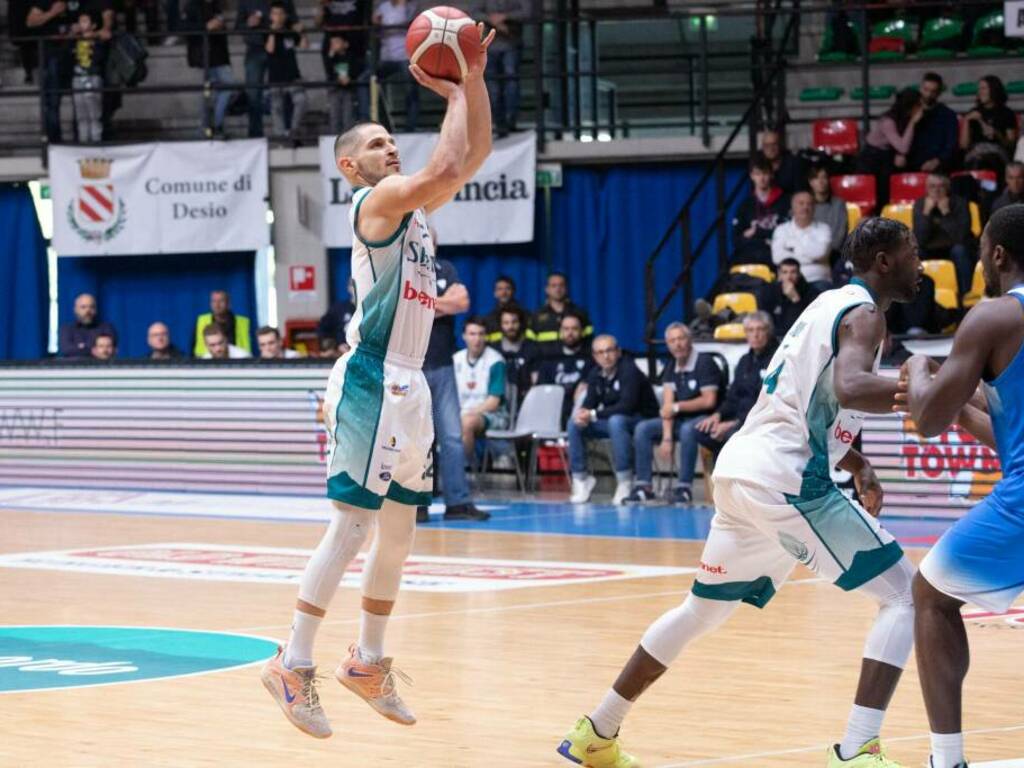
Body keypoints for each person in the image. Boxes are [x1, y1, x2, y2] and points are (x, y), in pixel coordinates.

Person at [558, 217, 923, 768]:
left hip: (741, 472)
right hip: (785, 478)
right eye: (913, 251)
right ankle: (857, 749)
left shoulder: (825, 307)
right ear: (884, 261)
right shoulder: (866, 314)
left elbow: (805, 403)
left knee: (699, 612)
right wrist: (925, 387)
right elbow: (851, 387)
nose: (920, 263)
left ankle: (596, 731)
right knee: (906, 596)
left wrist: (859, 461)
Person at [260, 27, 494, 739]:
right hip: (369, 378)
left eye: (395, 141)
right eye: (378, 144)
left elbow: (470, 158)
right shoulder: (377, 206)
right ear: (348, 163)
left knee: (400, 530)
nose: (391, 148)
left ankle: (366, 660)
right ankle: (291, 663)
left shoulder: (416, 212)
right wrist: (455, 90)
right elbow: (449, 160)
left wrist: (472, 80)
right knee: (354, 523)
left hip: (412, 383)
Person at [901, 204, 1024, 768]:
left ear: (997, 254)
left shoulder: (995, 317)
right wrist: (962, 403)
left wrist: (921, 369)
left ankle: (945, 760)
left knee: (929, 596)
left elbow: (926, 419)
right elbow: (1006, 436)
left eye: (980, 252)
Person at [421, 254, 490, 523]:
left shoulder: (445, 267)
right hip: (411, 364)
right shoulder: (402, 266)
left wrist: (424, 305)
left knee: (452, 435)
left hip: (442, 363)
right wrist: (441, 304)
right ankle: (417, 504)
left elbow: (462, 302)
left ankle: (458, 502)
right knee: (418, 440)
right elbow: (401, 310)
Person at [624, 323, 719, 505]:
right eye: (672, 340)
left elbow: (709, 400)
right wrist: (666, 438)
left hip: (706, 417)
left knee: (687, 430)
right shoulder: (671, 366)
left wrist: (677, 407)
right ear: (667, 344)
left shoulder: (704, 362)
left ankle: (684, 487)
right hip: (679, 419)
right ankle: (644, 486)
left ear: (689, 340)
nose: (677, 344)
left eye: (681, 339)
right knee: (643, 428)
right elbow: (667, 407)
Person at [567, 335, 659, 506]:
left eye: (609, 350)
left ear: (618, 352)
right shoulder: (595, 374)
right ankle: (581, 479)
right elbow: (589, 404)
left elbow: (627, 406)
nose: (606, 356)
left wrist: (593, 414)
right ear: (594, 356)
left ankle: (625, 480)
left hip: (641, 419)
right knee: (574, 424)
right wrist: (582, 414)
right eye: (600, 352)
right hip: (614, 421)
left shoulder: (629, 370)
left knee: (616, 421)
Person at [694, 311, 778, 458]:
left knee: (729, 437)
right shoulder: (744, 361)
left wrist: (735, 424)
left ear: (768, 332)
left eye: (760, 329)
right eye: (751, 330)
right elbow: (732, 397)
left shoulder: (777, 360)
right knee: (701, 432)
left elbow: (767, 403)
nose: (755, 335)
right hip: (738, 420)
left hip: (760, 422)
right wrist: (718, 415)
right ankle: (721, 477)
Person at [235, 0, 298, 138]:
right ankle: (255, 134)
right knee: (254, 93)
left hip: (280, 51)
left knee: (285, 91)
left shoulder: (286, 2)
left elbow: (294, 22)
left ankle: (288, 133)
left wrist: (292, 27)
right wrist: (248, 23)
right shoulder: (246, 2)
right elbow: (237, 26)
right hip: (255, 49)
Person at [357, 0, 418, 131]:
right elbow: (377, 33)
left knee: (410, 88)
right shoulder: (383, 7)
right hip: (386, 58)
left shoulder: (410, 7)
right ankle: (366, 120)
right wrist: (376, 24)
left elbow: (411, 25)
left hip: (405, 57)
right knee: (363, 79)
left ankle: (411, 126)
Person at [454, 316, 508, 460]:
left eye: (481, 334)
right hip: (462, 413)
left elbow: (493, 402)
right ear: (464, 336)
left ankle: (466, 468)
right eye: (472, 334)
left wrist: (466, 413)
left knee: (467, 422)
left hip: (493, 415)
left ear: (486, 336)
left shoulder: (495, 361)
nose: (477, 339)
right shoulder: (456, 360)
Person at [857, 88, 922, 207]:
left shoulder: (903, 119)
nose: (921, 109)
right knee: (880, 192)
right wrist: (913, 122)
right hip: (871, 158)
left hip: (886, 154)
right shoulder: (888, 121)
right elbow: (903, 147)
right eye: (919, 105)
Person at [912, 173, 974, 293]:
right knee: (915, 252)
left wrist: (946, 213)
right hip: (929, 248)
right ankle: (918, 295)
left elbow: (960, 237)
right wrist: (925, 213)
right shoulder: (920, 204)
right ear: (926, 189)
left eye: (941, 186)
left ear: (948, 188)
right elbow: (919, 239)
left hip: (953, 247)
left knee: (960, 251)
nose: (937, 190)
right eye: (932, 186)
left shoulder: (960, 203)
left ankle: (966, 296)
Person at [474, 0, 529, 137]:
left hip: (511, 43)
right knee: (493, 88)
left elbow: (527, 12)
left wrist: (505, 16)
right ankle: (500, 124)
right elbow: (474, 12)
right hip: (490, 46)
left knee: (511, 84)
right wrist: (494, 22)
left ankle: (511, 121)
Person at [532, 312, 593, 427]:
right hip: (552, 410)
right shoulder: (549, 358)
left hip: (581, 412)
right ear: (560, 331)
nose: (570, 333)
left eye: (574, 329)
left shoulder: (591, 358)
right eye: (566, 329)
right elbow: (541, 390)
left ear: (582, 331)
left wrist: (587, 383)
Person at [184, 0, 234, 139]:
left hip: (219, 56)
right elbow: (183, 28)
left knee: (224, 89)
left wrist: (220, 26)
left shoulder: (216, 6)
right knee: (208, 94)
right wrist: (206, 26)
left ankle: (213, 126)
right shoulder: (191, 6)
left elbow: (221, 29)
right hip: (204, 58)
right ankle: (209, 128)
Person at [27, 0, 72, 143]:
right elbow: (31, 21)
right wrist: (53, 12)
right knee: (52, 100)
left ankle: (83, 138)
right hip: (51, 55)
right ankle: (54, 140)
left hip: (75, 54)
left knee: (84, 96)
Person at [318, 0, 366, 134]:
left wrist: (349, 78)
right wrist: (331, 54)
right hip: (334, 88)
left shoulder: (351, 56)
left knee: (348, 115)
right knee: (334, 115)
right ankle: (333, 139)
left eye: (337, 42)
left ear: (345, 44)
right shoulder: (329, 57)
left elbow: (355, 69)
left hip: (348, 88)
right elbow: (328, 68)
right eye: (332, 42)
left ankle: (347, 138)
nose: (334, 44)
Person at [730, 155, 788, 267]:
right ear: (752, 176)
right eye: (757, 174)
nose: (762, 178)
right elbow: (736, 240)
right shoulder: (745, 206)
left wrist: (756, 232)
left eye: (765, 173)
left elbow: (788, 234)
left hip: (777, 260)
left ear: (771, 175)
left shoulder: (785, 201)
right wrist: (766, 237)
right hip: (751, 260)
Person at [771, 190, 833, 290]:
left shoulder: (824, 229)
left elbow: (820, 253)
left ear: (814, 207)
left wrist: (793, 248)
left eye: (809, 204)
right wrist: (811, 258)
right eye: (801, 203)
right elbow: (778, 258)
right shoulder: (781, 229)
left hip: (817, 280)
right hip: (788, 280)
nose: (805, 207)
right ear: (793, 207)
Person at [265, 1, 308, 144]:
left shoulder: (290, 30)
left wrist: (302, 32)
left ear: (284, 16)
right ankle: (281, 137)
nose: (278, 16)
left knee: (301, 100)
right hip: (275, 76)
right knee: (276, 107)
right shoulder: (265, 30)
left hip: (292, 75)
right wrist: (272, 31)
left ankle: (294, 129)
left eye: (280, 13)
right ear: (271, 15)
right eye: (275, 13)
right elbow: (269, 49)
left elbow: (304, 45)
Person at [959, 75, 1019, 175]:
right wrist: (966, 120)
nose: (980, 92)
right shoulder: (972, 113)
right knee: (976, 161)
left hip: (997, 154)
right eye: (979, 89)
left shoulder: (1007, 113)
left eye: (983, 88)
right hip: (976, 153)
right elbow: (963, 145)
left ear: (993, 90)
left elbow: (1011, 144)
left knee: (987, 161)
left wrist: (997, 134)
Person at [528, 271, 593, 355]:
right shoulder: (536, 315)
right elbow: (530, 344)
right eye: (553, 285)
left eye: (561, 285)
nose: (558, 289)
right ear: (547, 289)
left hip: (574, 361)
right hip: (544, 363)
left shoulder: (579, 313)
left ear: (566, 288)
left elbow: (588, 341)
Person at [908, 72, 958, 174]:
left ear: (939, 93)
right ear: (920, 88)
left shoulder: (948, 115)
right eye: (925, 90)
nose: (928, 95)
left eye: (933, 91)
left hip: (939, 163)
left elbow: (951, 144)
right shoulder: (908, 111)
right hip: (912, 161)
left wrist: (937, 160)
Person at [758, 257, 819, 337]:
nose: (789, 277)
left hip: (801, 335)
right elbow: (764, 318)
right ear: (779, 274)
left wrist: (796, 299)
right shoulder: (769, 291)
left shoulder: (811, 292)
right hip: (775, 336)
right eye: (785, 272)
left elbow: (809, 320)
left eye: (793, 272)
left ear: (799, 274)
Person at [490, 305, 537, 405]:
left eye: (514, 322)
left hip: (527, 402)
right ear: (500, 325)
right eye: (506, 323)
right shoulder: (493, 350)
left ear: (521, 323)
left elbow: (536, 382)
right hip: (497, 403)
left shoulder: (532, 348)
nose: (510, 327)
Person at [70, 10, 105, 143]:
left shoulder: (98, 41)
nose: (81, 24)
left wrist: (92, 42)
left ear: (93, 25)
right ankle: (83, 141)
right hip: (77, 78)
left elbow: (100, 57)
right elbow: (66, 55)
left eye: (85, 21)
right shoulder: (74, 40)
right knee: (81, 114)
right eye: (80, 21)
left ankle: (96, 141)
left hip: (93, 77)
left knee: (94, 113)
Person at [808, 163, 848, 261]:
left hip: (834, 254)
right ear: (811, 182)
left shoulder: (839, 204)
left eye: (824, 177)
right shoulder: (805, 204)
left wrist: (825, 253)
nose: (821, 181)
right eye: (816, 178)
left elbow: (840, 234)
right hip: (809, 254)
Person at [194, 290, 252, 357]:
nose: (217, 305)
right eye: (214, 301)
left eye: (221, 301)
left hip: (241, 362)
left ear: (229, 304)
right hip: (206, 364)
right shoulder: (201, 321)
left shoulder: (243, 322)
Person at [59, 293, 118, 358]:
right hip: (74, 367)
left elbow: (108, 351)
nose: (88, 311)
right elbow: (66, 350)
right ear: (75, 309)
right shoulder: (67, 330)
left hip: (101, 367)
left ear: (96, 309)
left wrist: (81, 347)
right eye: (83, 307)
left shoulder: (107, 328)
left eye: (91, 307)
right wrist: (91, 350)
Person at [757, 129, 804, 196]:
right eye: (767, 145)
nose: (771, 148)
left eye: (774, 144)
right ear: (763, 148)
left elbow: (800, 192)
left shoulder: (794, 163)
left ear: (780, 145)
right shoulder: (759, 166)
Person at [482, 274, 521, 342]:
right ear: (495, 293)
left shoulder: (524, 316)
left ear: (513, 291)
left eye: (507, 288)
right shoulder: (488, 319)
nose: (504, 292)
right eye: (500, 289)